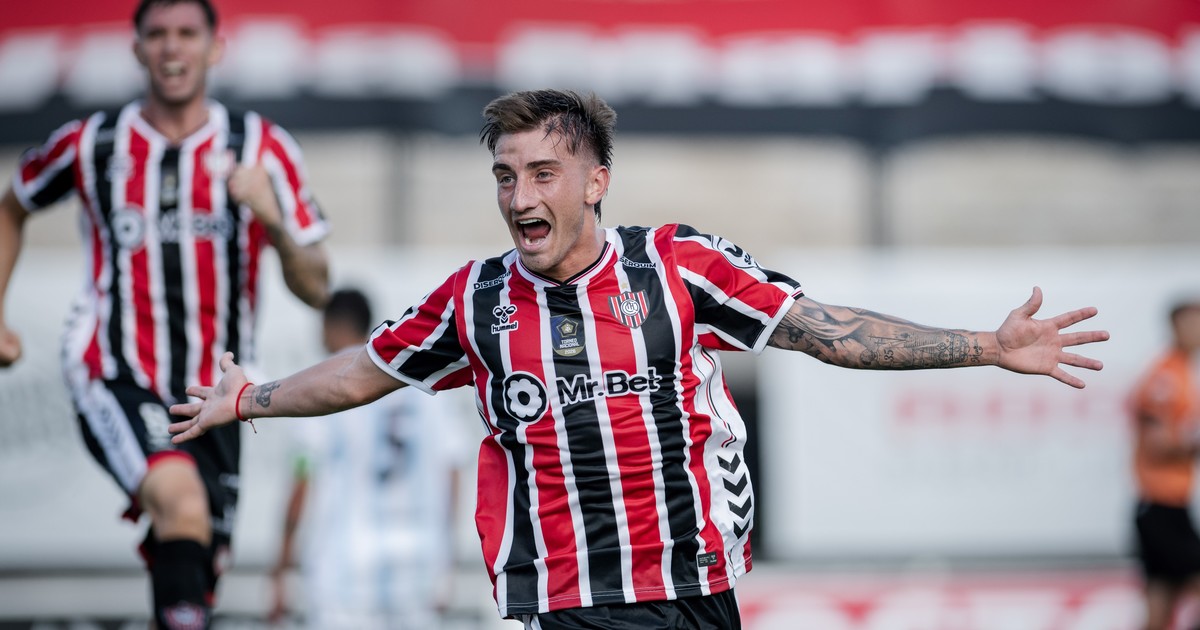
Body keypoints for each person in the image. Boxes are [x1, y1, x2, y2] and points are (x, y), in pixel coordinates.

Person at [168, 89, 1108, 629]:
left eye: (542, 174)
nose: (519, 197)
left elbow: (826, 331)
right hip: (567, 597)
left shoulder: (677, 267)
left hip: (695, 588)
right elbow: (364, 371)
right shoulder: (475, 298)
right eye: (505, 175)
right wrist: (251, 398)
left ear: (596, 182)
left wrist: (986, 347)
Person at [0, 0, 330, 626]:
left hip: (218, 392)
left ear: (215, 47)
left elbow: (317, 286)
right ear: (137, 50)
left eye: (186, 33)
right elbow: (12, 205)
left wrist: (272, 220)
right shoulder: (92, 143)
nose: (172, 48)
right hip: (115, 369)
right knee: (181, 503)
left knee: (198, 561)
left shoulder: (262, 148)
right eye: (156, 35)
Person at [268, 288, 466, 629]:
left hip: (345, 572)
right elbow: (451, 469)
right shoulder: (423, 383)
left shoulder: (324, 384)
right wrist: (446, 558)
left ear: (328, 327)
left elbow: (303, 474)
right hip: (416, 568)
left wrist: (281, 570)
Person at [1130, 298, 1200, 630]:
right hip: (1161, 506)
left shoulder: (1184, 372)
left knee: (1161, 599)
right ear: (1174, 327)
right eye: (1191, 324)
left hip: (1169, 504)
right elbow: (1158, 445)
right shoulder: (1165, 378)